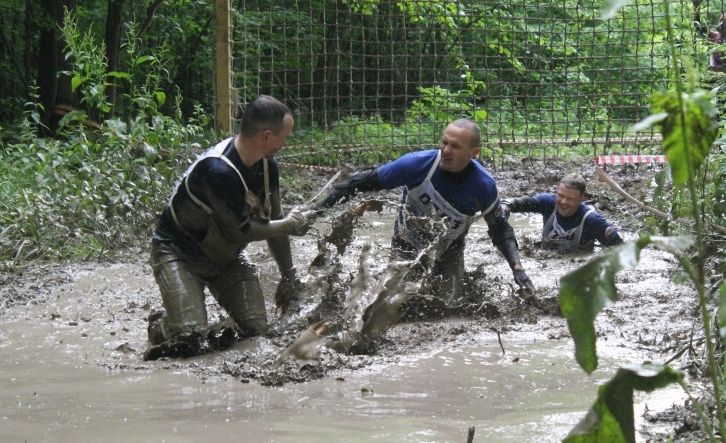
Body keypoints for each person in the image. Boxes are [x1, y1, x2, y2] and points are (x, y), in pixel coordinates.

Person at [145, 95, 314, 360]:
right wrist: (290, 226)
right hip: (179, 253)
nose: (286, 143)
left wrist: (289, 275)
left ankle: (210, 323)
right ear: (267, 136)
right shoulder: (217, 171)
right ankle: (162, 326)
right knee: (189, 338)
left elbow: (275, 218)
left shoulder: (268, 167)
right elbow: (244, 231)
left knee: (257, 329)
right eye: (285, 136)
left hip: (227, 256)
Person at [314, 119, 534, 305]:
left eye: (455, 147)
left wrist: (517, 268)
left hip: (449, 252)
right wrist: (315, 212)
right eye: (444, 143)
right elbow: (358, 182)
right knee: (390, 304)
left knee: (449, 309)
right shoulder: (417, 165)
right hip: (406, 246)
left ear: (473, 153)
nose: (446, 151)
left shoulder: (484, 186)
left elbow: (500, 230)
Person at [501, 172, 623, 253]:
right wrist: (506, 205)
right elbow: (522, 203)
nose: (563, 202)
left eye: (570, 198)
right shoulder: (548, 203)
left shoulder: (592, 220)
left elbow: (621, 250)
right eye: (560, 195)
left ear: (582, 199)